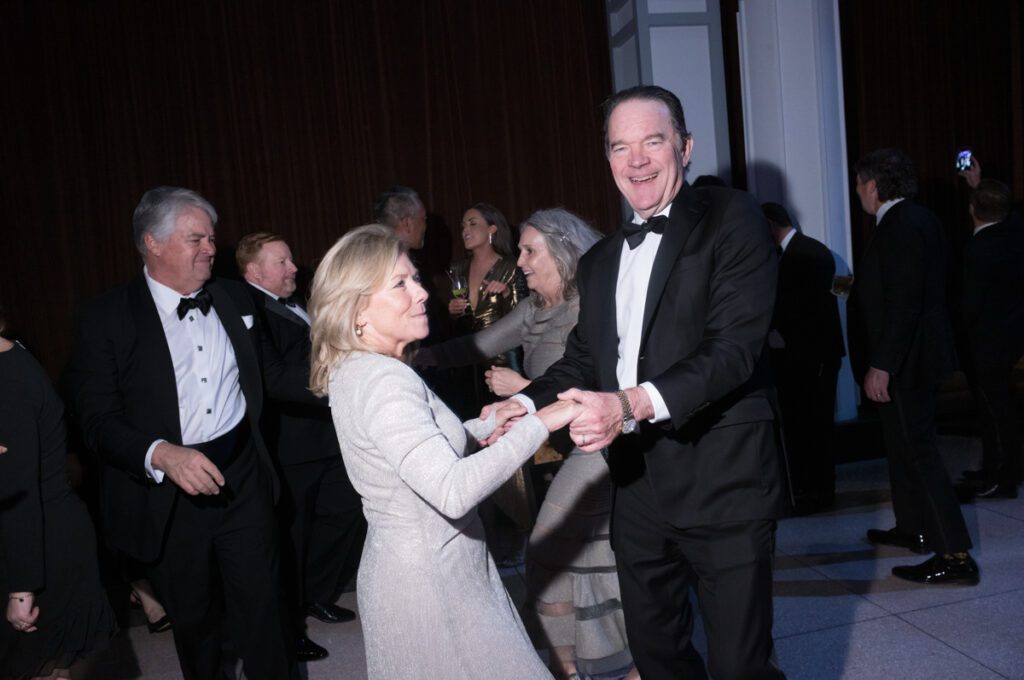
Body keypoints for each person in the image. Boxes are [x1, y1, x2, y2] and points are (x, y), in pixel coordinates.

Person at [491, 85, 787, 679]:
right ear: (607, 159)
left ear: (685, 147)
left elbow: (733, 351)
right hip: (638, 488)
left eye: (653, 141)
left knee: (739, 663)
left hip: (723, 477)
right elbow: (581, 359)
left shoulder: (732, 218)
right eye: (620, 147)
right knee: (655, 653)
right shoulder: (600, 260)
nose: (637, 160)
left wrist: (626, 404)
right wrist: (523, 404)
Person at [307, 224, 583, 680]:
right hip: (431, 584)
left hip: (420, 569)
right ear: (356, 309)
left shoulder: (360, 368)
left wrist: (483, 427)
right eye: (400, 284)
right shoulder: (384, 381)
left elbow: (407, 452)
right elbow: (451, 491)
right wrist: (540, 422)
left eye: (414, 279)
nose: (421, 294)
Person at [68, 187, 293, 679]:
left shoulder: (235, 297)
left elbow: (273, 375)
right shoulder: (103, 318)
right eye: (196, 239)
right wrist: (162, 453)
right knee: (197, 623)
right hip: (169, 495)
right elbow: (96, 419)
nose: (212, 248)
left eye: (211, 238)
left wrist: (347, 372)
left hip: (242, 478)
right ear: (153, 243)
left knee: (263, 611)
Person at [418, 209, 637, 679]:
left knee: (548, 551)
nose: (520, 262)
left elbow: (601, 380)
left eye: (529, 250)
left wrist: (523, 385)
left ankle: (605, 664)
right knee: (588, 560)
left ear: (561, 252)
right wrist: (417, 357)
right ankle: (578, 666)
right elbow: (476, 345)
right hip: (555, 446)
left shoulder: (590, 306)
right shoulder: (535, 307)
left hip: (597, 447)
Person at [850, 148, 979, 585]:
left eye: (859, 184)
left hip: (906, 361)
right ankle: (914, 528)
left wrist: (882, 365)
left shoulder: (901, 225)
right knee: (904, 447)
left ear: (873, 185)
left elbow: (904, 303)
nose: (858, 193)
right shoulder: (917, 219)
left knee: (919, 452)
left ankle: (955, 554)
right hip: (914, 356)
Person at [237, 232, 366, 661]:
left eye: (291, 259)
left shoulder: (295, 305)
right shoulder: (248, 308)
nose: (294, 268)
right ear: (253, 271)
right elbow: (272, 380)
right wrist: (342, 386)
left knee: (344, 514)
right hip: (292, 443)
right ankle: (288, 626)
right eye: (282, 262)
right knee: (292, 537)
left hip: (328, 436)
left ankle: (316, 594)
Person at [1, 302, 116, 679]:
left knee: (41, 668)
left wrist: (22, 589)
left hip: (40, 547)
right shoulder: (13, 359)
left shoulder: (8, 381)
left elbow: (18, 494)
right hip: (45, 537)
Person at [763, 201, 846, 514]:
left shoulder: (804, 253)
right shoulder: (807, 250)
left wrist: (779, 329)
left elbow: (807, 307)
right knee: (806, 425)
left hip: (812, 357)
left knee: (815, 426)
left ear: (770, 224)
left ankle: (818, 492)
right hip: (807, 356)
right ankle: (810, 489)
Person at [953, 179, 1024, 499]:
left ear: (972, 209)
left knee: (995, 412)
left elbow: (970, 305)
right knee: (999, 410)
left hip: (986, 341)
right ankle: (997, 470)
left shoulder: (979, 248)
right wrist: (980, 184)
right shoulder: (1015, 236)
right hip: (1011, 338)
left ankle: (1001, 477)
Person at [373, 185, 428, 250]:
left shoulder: (371, 254)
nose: (425, 226)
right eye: (423, 219)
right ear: (408, 224)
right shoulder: (400, 258)